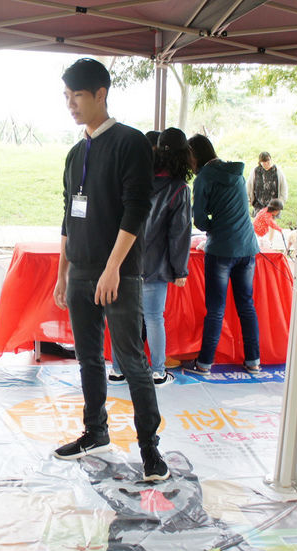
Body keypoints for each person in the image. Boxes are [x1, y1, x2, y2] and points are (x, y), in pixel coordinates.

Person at [51, 58, 169, 482]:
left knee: (132, 362)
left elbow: (138, 209)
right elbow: (68, 215)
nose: (71, 105)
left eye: (77, 96)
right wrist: (63, 273)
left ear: (100, 94)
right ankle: (94, 432)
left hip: (120, 273)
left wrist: (113, 268)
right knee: (87, 359)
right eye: (66, 97)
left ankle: (150, 450)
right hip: (81, 271)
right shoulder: (74, 153)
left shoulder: (130, 142)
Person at [109, 127, 192, 387]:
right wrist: (180, 271)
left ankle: (117, 370)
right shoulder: (179, 189)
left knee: (125, 318)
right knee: (154, 318)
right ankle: (157, 371)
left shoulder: (133, 180)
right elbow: (179, 235)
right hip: (154, 265)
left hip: (123, 260)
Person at [187, 133, 261, 376]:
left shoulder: (204, 178)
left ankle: (204, 364)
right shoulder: (236, 173)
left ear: (194, 155)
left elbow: (198, 219)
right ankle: (253, 361)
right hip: (248, 248)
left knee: (216, 308)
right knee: (246, 306)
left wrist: (213, 228)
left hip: (221, 250)